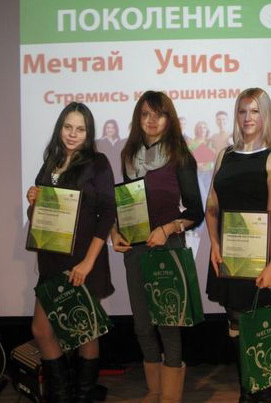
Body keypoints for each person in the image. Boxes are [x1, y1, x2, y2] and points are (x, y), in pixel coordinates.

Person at [110, 91, 204, 403]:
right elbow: (126, 204)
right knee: (141, 325)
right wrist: (116, 232)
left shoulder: (180, 155)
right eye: (145, 114)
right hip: (136, 249)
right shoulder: (128, 155)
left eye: (159, 114)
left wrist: (166, 229)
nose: (152, 120)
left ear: (169, 118)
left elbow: (196, 211)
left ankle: (170, 396)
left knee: (168, 323)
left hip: (167, 246)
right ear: (138, 118)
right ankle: (154, 390)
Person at [205, 88, 271, 402]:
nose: (247, 117)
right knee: (236, 325)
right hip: (230, 256)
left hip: (261, 258)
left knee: (261, 329)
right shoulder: (224, 155)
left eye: (255, 111)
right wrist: (214, 243)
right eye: (242, 111)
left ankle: (265, 395)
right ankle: (247, 391)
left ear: (265, 115)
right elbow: (211, 206)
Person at [26, 102, 116, 403]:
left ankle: (84, 396)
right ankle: (62, 396)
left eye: (80, 129)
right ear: (60, 128)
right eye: (68, 127)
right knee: (42, 330)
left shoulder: (98, 163)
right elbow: (39, 216)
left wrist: (88, 262)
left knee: (84, 332)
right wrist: (33, 201)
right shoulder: (50, 162)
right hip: (51, 259)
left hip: (83, 261)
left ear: (88, 133)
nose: (73, 134)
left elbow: (108, 212)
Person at [96, 119, 125, 183]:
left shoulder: (121, 142)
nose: (110, 130)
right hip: (105, 173)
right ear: (105, 129)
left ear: (116, 129)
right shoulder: (99, 142)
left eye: (112, 127)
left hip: (118, 173)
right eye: (108, 127)